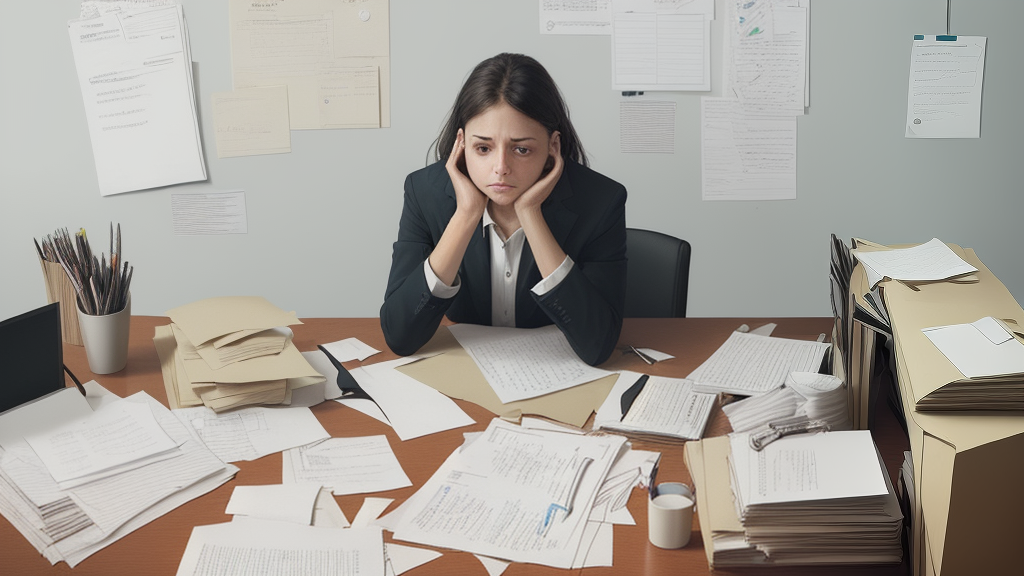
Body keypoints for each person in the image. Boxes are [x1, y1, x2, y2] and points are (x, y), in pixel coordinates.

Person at [380, 53, 627, 366]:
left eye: (521, 149)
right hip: (467, 373)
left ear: (553, 146)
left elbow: (598, 346)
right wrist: (466, 215)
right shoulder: (424, 194)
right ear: (462, 142)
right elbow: (400, 336)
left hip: (553, 375)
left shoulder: (602, 201)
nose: (500, 169)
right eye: (483, 148)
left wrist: (531, 215)